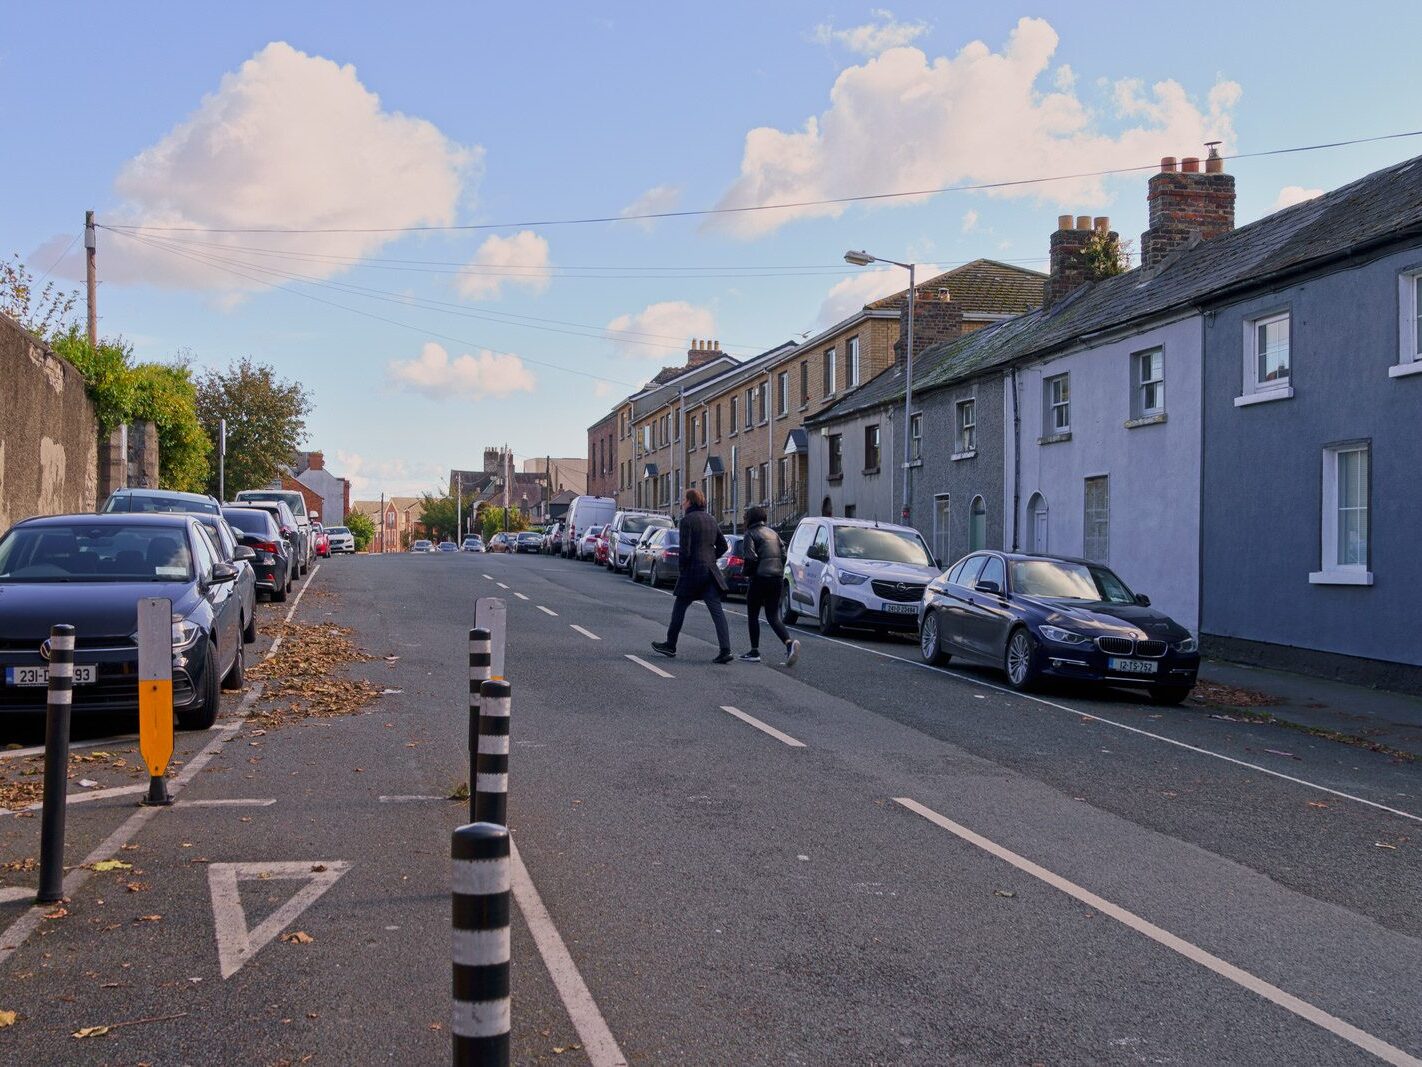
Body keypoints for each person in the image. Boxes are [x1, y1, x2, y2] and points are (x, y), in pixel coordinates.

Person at [652, 488, 733, 663]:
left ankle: (670, 645)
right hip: (710, 571)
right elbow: (724, 546)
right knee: (717, 611)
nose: (682, 503)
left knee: (679, 607)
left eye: (684, 500)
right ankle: (725, 650)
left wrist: (682, 570)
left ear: (690, 501)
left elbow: (685, 549)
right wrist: (711, 558)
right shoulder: (711, 519)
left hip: (692, 572)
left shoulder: (687, 521)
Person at [738, 507, 800, 667]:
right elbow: (784, 554)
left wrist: (747, 573)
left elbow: (751, 557)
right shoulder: (774, 534)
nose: (744, 521)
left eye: (745, 518)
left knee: (753, 615)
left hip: (759, 579)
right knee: (773, 616)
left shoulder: (750, 534)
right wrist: (777, 569)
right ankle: (789, 643)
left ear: (750, 519)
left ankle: (754, 651)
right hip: (776, 578)